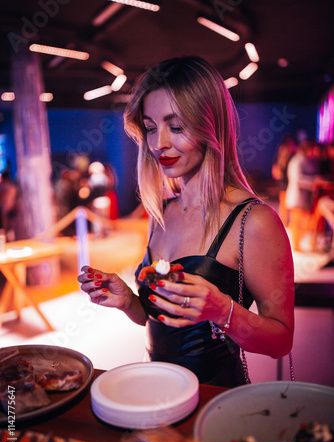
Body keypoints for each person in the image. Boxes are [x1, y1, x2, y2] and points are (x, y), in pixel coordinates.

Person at [78, 57, 294, 387]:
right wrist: (129, 302)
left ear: (211, 126)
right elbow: (163, 318)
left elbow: (281, 342)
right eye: (150, 128)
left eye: (176, 127)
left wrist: (223, 311)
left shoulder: (254, 220)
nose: (158, 144)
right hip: (159, 389)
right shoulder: (161, 213)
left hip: (216, 399)